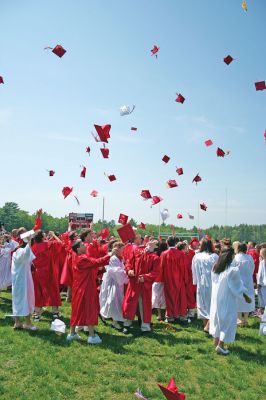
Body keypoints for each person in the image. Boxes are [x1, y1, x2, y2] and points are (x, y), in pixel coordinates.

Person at [209, 247, 251, 355]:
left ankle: (216, 340)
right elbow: (237, 287)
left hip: (216, 299)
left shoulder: (215, 268)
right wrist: (246, 296)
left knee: (218, 319)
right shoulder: (232, 270)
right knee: (228, 320)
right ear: (231, 256)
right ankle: (221, 345)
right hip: (227, 298)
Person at [67, 238, 110, 344]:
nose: (85, 246)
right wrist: (110, 254)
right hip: (86, 288)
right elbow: (96, 262)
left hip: (79, 287)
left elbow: (91, 265)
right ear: (78, 249)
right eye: (82, 245)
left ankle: (72, 334)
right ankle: (92, 336)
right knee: (89, 309)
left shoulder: (77, 257)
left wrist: (98, 268)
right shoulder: (82, 258)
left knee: (77, 310)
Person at [122, 240, 160, 333]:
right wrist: (129, 270)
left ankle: (145, 326)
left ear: (156, 246)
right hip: (134, 283)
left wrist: (146, 277)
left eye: (154, 242)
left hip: (144, 285)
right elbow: (128, 262)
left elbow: (155, 272)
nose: (151, 242)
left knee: (144, 305)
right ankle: (127, 324)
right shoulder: (137, 251)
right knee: (130, 303)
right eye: (151, 241)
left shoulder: (155, 258)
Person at [11, 233, 37, 330]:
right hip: (22, 280)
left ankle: (18, 322)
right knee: (25, 299)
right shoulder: (20, 251)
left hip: (22, 279)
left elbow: (30, 258)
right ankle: (27, 323)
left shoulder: (18, 251)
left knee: (21, 299)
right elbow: (26, 254)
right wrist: (29, 240)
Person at [192, 238, 218, 333]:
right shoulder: (214, 256)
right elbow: (218, 271)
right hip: (212, 283)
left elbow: (193, 270)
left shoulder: (196, 256)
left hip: (200, 283)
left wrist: (195, 281)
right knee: (211, 304)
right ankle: (209, 326)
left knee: (202, 304)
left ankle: (206, 325)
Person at [99, 242, 128, 330]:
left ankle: (108, 316)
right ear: (117, 248)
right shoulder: (113, 258)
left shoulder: (118, 258)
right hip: (113, 282)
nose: (123, 251)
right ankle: (114, 321)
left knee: (112, 299)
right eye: (122, 249)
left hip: (116, 281)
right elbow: (116, 271)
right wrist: (126, 273)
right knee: (113, 300)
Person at [159, 236, 187, 323]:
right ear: (175, 243)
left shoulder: (164, 254)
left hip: (168, 279)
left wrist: (160, 279)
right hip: (179, 279)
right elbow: (184, 268)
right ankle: (181, 315)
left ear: (167, 243)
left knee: (170, 297)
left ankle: (170, 316)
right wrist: (185, 279)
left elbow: (161, 268)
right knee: (180, 297)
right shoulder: (181, 254)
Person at [235, 243, 255, 326]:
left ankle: (239, 319)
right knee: (248, 298)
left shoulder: (236, 258)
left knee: (238, 299)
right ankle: (245, 320)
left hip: (238, 281)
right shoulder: (249, 257)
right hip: (248, 281)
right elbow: (252, 268)